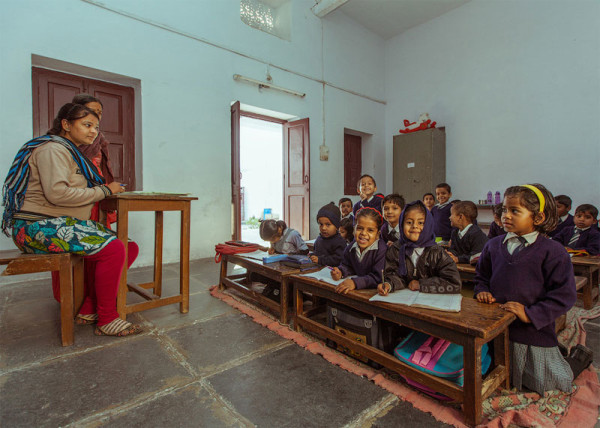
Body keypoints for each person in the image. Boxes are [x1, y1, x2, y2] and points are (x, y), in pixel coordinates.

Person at [2, 103, 141, 337]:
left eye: (96, 127)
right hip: (35, 226)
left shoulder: (70, 152)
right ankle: (107, 319)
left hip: (58, 222)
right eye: (87, 125)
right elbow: (57, 194)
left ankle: (89, 307)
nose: (93, 132)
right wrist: (106, 191)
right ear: (66, 124)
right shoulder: (52, 149)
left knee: (128, 247)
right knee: (115, 249)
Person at [474, 184, 583, 394]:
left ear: (538, 218)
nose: (506, 215)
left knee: (550, 383)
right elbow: (482, 276)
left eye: (515, 211)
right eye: (505, 209)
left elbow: (564, 295)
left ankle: (578, 359)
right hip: (495, 325)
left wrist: (530, 314)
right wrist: (482, 290)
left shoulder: (554, 252)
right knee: (494, 372)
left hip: (530, 331)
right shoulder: (493, 245)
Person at [378, 200, 461, 295]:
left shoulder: (437, 252)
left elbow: (454, 283)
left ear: (428, 225)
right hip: (404, 300)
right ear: (401, 224)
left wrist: (422, 284)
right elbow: (393, 275)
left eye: (421, 223)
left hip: (432, 303)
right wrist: (389, 284)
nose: (414, 226)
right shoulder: (395, 249)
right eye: (409, 222)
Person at [330, 207, 386, 294]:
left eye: (370, 230)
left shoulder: (381, 250)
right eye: (359, 228)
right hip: (357, 292)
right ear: (354, 229)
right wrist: (340, 271)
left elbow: (378, 277)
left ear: (377, 234)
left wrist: (355, 282)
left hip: (374, 293)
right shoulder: (351, 247)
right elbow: (347, 266)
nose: (363, 233)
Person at [255, 219, 308, 301]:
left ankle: (285, 294)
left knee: (276, 281)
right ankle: (275, 291)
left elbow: (305, 251)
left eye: (271, 240)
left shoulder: (292, 235)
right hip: (280, 265)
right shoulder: (274, 236)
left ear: (279, 232)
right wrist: (272, 249)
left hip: (293, 265)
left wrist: (289, 255)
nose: (271, 242)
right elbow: (276, 248)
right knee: (259, 273)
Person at [310, 202, 347, 267]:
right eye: (321, 224)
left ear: (336, 226)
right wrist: (312, 255)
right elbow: (317, 253)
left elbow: (338, 259)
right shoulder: (319, 239)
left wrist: (320, 260)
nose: (323, 228)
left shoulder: (339, 241)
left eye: (328, 224)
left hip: (332, 272)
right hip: (317, 269)